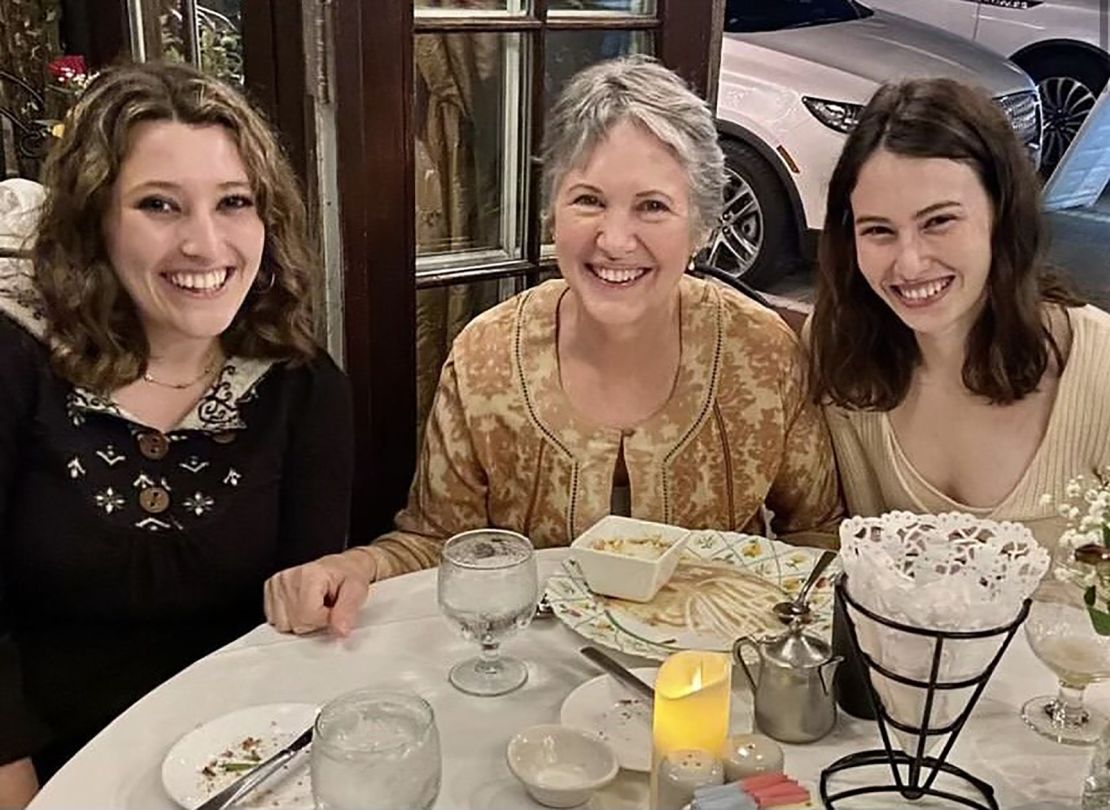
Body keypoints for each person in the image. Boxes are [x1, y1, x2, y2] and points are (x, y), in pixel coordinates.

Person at [264, 55, 842, 637]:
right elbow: (438, 542)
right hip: (535, 692)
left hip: (713, 686)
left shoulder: (761, 351)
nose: (615, 240)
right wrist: (354, 565)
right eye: (588, 200)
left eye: (653, 206)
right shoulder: (487, 357)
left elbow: (817, 533)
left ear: (702, 227)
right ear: (551, 210)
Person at [0, 62, 353, 806]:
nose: (205, 244)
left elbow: (297, 630)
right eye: (160, 205)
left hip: (233, 762)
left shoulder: (301, 386)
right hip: (38, 763)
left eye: (234, 203)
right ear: (95, 220)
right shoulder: (17, 362)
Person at [807, 77, 1110, 551]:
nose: (908, 263)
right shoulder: (837, 351)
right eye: (879, 231)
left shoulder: (1101, 366)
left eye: (939, 221)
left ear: (1002, 213)